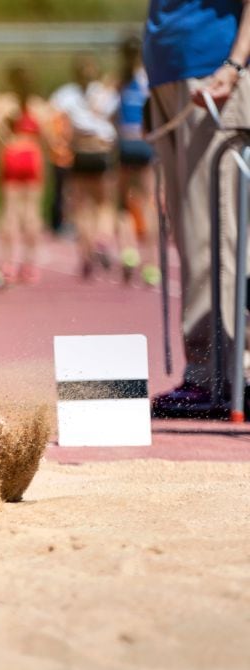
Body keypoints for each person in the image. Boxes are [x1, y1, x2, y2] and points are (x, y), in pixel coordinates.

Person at [145, 0, 250, 418]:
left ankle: (223, 375)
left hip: (213, 76)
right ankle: (207, 372)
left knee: (213, 231)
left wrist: (235, 65)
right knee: (191, 233)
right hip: (171, 76)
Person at [50, 56, 119, 280]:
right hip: (101, 150)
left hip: (80, 151)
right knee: (104, 203)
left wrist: (61, 142)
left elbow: (53, 116)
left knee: (81, 207)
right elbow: (117, 116)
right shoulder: (103, 92)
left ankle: (86, 254)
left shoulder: (66, 94)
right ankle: (102, 239)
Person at [0, 63, 50, 285]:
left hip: (13, 152)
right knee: (32, 212)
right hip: (31, 153)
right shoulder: (37, 105)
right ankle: (30, 264)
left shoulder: (5, 102)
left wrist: (6, 138)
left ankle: (7, 263)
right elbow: (47, 132)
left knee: (10, 211)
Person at [114, 35, 160, 288]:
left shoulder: (118, 80)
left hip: (125, 143)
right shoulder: (148, 78)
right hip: (144, 142)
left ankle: (128, 251)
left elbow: (109, 113)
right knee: (146, 203)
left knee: (123, 204)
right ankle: (152, 264)